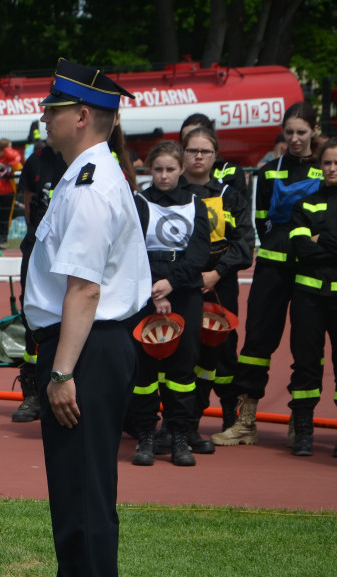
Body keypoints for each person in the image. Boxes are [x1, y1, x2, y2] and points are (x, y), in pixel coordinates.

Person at [20, 59, 149, 577]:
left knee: (84, 492)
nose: (43, 117)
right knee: (74, 489)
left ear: (79, 117)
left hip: (86, 349)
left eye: (51, 109)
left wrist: (62, 372)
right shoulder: (83, 174)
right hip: (83, 345)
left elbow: (86, 289)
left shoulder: (94, 184)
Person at [213, 103, 321, 448]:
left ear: (313, 133)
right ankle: (246, 422)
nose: (294, 139)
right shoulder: (267, 170)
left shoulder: (324, 171)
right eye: (289, 132)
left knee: (307, 347)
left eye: (301, 132)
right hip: (272, 268)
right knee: (257, 342)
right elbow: (261, 221)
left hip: (310, 270)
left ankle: (300, 423)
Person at [126, 141, 211, 467]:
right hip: (146, 292)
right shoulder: (140, 201)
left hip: (183, 292)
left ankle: (178, 436)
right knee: (144, 370)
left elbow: (200, 253)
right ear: (150, 169)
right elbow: (130, 248)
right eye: (158, 169)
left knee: (182, 369)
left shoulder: (194, 202)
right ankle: (145, 436)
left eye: (170, 169)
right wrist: (153, 289)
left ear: (181, 169)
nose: (163, 176)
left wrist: (170, 284)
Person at [179, 126, 254, 444]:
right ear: (182, 154)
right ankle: (184, 421)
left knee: (224, 353)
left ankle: (228, 415)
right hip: (182, 284)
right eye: (192, 150)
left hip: (221, 285)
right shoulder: (172, 194)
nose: (198, 156)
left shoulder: (229, 196)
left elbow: (244, 244)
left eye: (205, 151)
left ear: (214, 156)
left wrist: (217, 273)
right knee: (185, 352)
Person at [283, 138, 337, 456]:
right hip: (308, 298)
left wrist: (321, 238)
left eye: (336, 163)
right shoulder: (304, 205)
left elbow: (313, 244)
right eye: (327, 163)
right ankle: (303, 431)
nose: (332, 168)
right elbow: (299, 248)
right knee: (305, 365)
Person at [12, 135, 67, 423]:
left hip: (69, 250)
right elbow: (29, 201)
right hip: (36, 248)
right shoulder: (35, 160)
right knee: (31, 316)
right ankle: (33, 393)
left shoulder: (78, 157)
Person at [179, 113, 248, 200]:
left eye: (197, 134)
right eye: (187, 138)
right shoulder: (174, 176)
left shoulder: (232, 173)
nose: (193, 140)